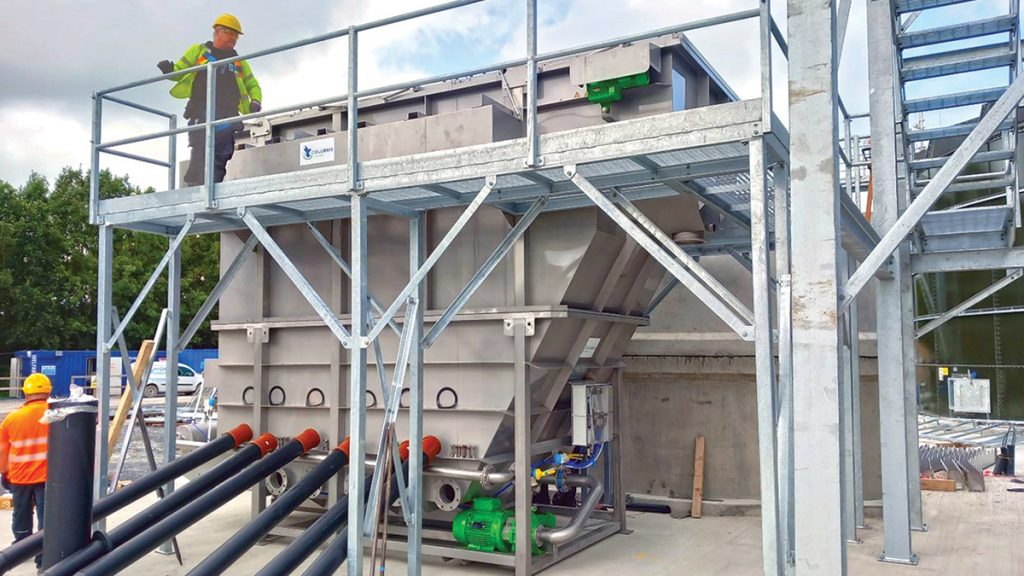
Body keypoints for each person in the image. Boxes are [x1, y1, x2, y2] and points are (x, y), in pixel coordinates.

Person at [157, 13, 262, 187]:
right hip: (201, 112)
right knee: (200, 151)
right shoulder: (199, 51)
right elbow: (180, 71)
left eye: (236, 36)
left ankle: (213, 189)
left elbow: (252, 84)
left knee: (222, 153)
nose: (233, 39)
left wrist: (256, 101)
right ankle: (196, 189)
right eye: (230, 33)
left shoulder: (238, 62)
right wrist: (170, 70)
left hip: (227, 115)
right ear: (217, 32)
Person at [0, 373, 51, 568]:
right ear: (49, 392)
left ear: (26, 393)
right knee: (47, 515)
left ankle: (21, 548)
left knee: (21, 513)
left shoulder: (12, 418)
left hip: (20, 477)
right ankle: (45, 552)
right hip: (48, 477)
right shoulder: (56, 416)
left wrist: (4, 472)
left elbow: (2, 451)